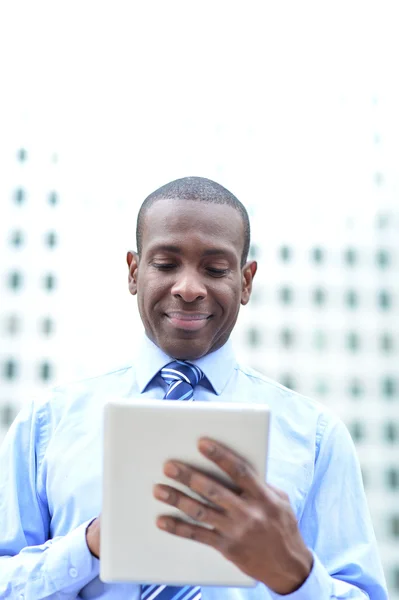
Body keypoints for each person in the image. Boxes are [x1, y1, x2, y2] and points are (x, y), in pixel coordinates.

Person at [0, 176, 388, 599]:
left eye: (216, 269)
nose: (188, 288)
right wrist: (90, 544)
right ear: (134, 271)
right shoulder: (46, 423)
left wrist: (295, 575)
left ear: (245, 281)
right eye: (166, 265)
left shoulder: (316, 437)